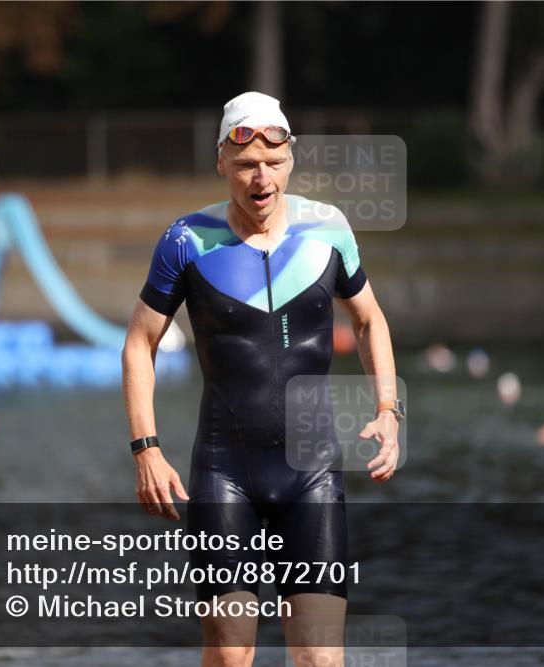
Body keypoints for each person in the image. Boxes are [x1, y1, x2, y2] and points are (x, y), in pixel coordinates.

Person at [122, 91, 402, 667]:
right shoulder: (187, 240)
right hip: (226, 472)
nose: (262, 178)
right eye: (247, 164)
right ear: (221, 162)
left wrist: (388, 410)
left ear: (290, 159)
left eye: (274, 163)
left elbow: (369, 319)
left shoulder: (328, 229)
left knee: (320, 657)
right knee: (231, 653)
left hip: (312, 474)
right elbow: (139, 344)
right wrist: (146, 449)